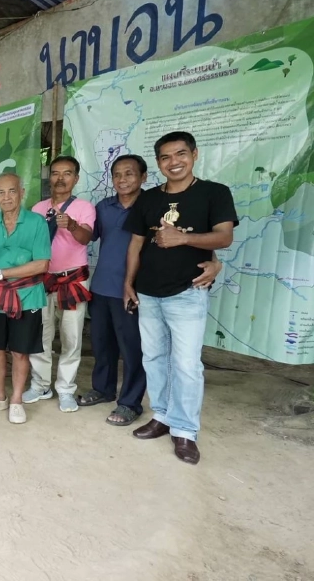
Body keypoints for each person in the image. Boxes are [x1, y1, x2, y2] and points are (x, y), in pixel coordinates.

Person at [125, 131, 237, 465]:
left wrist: (182, 239)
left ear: (194, 154)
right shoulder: (148, 199)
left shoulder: (214, 193)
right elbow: (135, 244)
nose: (174, 162)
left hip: (188, 292)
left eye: (180, 154)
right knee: (154, 358)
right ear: (158, 162)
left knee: (187, 365)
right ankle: (161, 416)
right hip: (148, 292)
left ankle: (185, 431)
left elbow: (224, 237)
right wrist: (128, 283)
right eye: (166, 157)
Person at [0, 173, 51, 425]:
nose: (6, 197)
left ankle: (16, 400)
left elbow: (42, 264)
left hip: (27, 296)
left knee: (20, 351)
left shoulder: (37, 222)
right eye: (1, 192)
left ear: (22, 192)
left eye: (12, 191)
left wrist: (1, 273)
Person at [26, 156, 96, 413]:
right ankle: (40, 385)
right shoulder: (38, 208)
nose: (60, 178)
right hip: (43, 280)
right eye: (55, 173)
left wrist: (72, 225)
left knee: (71, 337)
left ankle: (66, 389)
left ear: (76, 178)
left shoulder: (84, 207)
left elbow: (86, 237)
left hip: (72, 279)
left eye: (67, 173)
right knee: (40, 335)